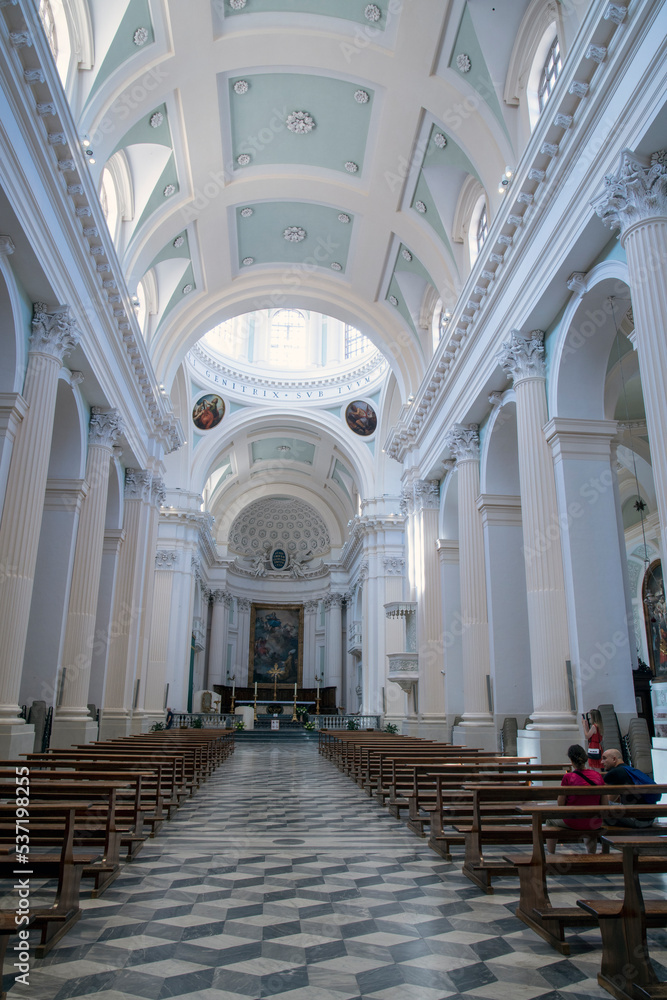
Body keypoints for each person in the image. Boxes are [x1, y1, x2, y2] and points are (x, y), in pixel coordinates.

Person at [545, 744, 607, 854]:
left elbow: (560, 804)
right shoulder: (597, 776)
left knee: (550, 820)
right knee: (590, 820)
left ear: (571, 760)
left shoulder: (568, 777)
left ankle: (551, 854)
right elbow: (605, 803)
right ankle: (591, 854)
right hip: (594, 822)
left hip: (573, 822)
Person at [601, 748, 656, 827]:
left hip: (636, 820)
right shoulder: (630, 770)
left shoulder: (614, 773)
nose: (602, 762)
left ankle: (598, 836)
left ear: (614, 759)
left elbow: (606, 800)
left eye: (604, 758)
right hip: (649, 819)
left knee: (598, 804)